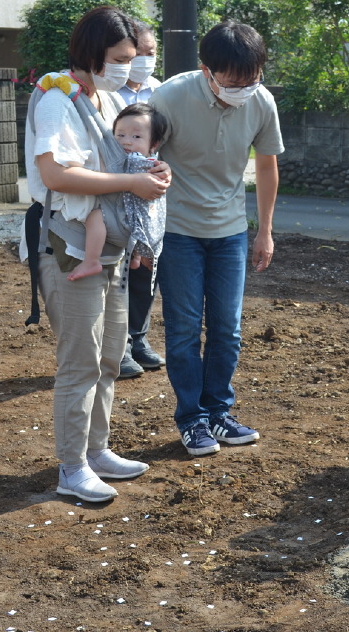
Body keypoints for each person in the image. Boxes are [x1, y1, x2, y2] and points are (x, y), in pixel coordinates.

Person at [25, 6, 171, 502]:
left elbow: (125, 158)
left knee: (110, 356)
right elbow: (56, 176)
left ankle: (96, 450)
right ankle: (71, 467)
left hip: (109, 248)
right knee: (80, 362)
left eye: (132, 58)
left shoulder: (104, 101)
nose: (128, 67)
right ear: (92, 54)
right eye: (119, 58)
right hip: (69, 247)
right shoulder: (56, 100)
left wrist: (150, 174)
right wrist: (133, 181)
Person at [148, 21, 284, 457]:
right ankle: (191, 418)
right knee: (185, 329)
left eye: (252, 79)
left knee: (227, 329)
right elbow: (142, 156)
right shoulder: (169, 96)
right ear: (208, 70)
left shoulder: (261, 101)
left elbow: (266, 166)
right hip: (178, 230)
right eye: (233, 81)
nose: (244, 88)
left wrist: (264, 230)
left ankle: (218, 412)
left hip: (230, 232)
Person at [67, 103, 169, 282]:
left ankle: (91, 260)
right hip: (142, 224)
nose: (126, 141)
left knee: (95, 215)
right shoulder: (154, 162)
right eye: (120, 135)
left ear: (153, 144)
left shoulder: (134, 160)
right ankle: (136, 256)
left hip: (128, 219)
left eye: (136, 136)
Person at [117, 20, 166, 378]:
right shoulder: (105, 92)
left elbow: (167, 146)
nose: (145, 60)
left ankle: (138, 337)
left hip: (150, 197)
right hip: (115, 195)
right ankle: (117, 344)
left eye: (151, 53)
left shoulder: (161, 93)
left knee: (147, 266)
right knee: (119, 270)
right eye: (138, 54)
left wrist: (165, 171)